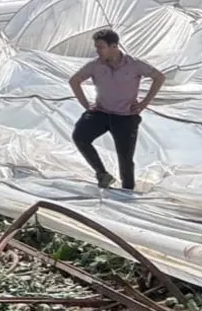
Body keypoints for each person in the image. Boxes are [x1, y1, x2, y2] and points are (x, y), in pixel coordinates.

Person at [68, 28, 166, 190]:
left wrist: (144, 103)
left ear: (114, 46)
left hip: (125, 116)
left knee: (125, 157)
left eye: (101, 47)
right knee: (80, 137)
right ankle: (102, 174)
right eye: (97, 47)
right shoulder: (95, 65)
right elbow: (74, 80)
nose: (97, 50)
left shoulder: (133, 64)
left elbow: (159, 77)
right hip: (101, 112)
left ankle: (127, 191)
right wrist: (86, 105)